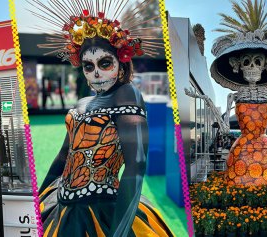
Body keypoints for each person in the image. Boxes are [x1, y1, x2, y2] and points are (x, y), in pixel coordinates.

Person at [34, 1, 173, 236]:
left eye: (104, 63)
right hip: (61, 207)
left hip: (103, 211)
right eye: (88, 66)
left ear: (120, 65)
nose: (96, 72)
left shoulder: (126, 94)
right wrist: (37, 200)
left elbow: (136, 165)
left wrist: (118, 232)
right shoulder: (82, 104)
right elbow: (63, 156)